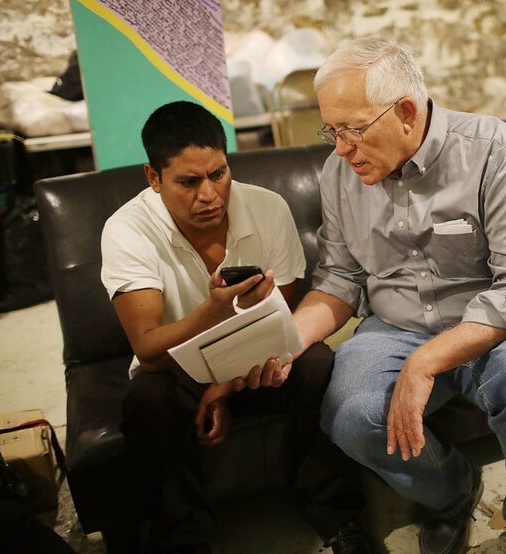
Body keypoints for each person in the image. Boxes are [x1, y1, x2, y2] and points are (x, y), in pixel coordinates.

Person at [289, 38, 506, 554]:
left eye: (352, 130)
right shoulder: (340, 173)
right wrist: (285, 340)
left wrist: (426, 362)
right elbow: (340, 277)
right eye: (330, 130)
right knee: (350, 415)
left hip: (497, 322)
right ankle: (450, 491)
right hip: (395, 327)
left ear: (405, 111)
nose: (340, 148)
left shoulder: (492, 147)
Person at [100, 101, 371, 553]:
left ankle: (338, 515)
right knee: (147, 398)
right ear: (153, 177)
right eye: (188, 182)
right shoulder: (127, 230)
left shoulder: (267, 208)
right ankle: (184, 539)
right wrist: (214, 310)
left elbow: (278, 318)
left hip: (256, 356)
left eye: (219, 174)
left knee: (318, 362)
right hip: (178, 371)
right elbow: (147, 349)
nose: (210, 195)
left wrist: (225, 386)